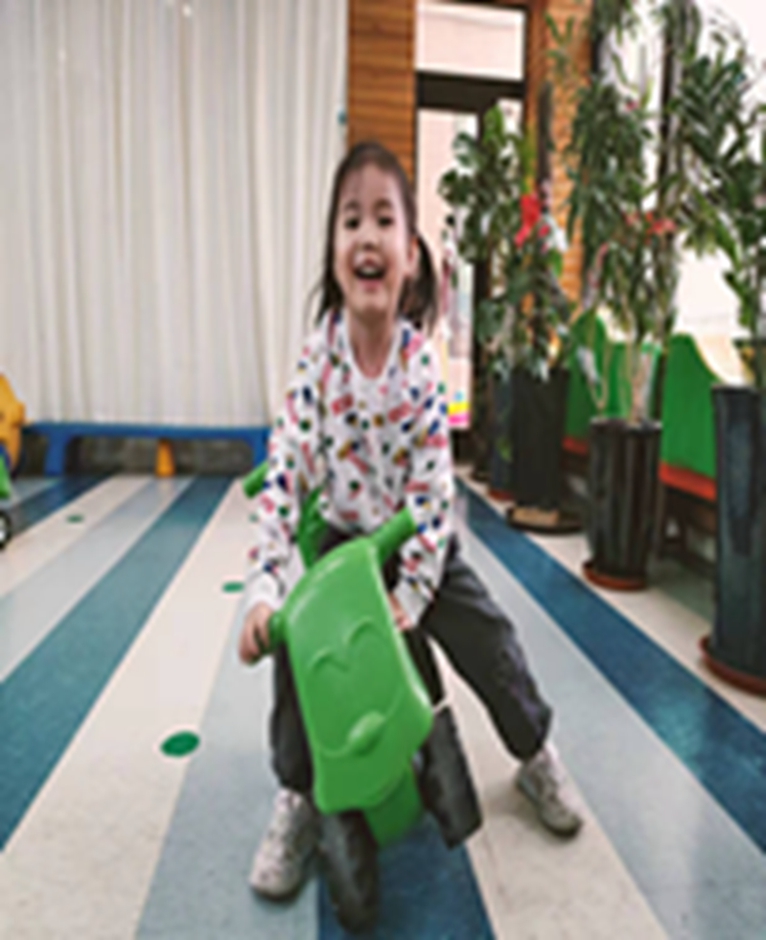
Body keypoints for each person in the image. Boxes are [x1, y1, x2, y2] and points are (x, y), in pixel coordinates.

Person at [238, 141, 583, 900]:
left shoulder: (422, 365)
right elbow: (285, 473)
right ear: (334, 254)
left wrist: (415, 593)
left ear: (411, 255)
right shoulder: (317, 362)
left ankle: (535, 753)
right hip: (342, 546)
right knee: (300, 659)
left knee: (488, 636)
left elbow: (433, 492)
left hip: (414, 544)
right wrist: (264, 590)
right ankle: (297, 798)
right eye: (350, 220)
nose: (367, 235)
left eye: (384, 219)